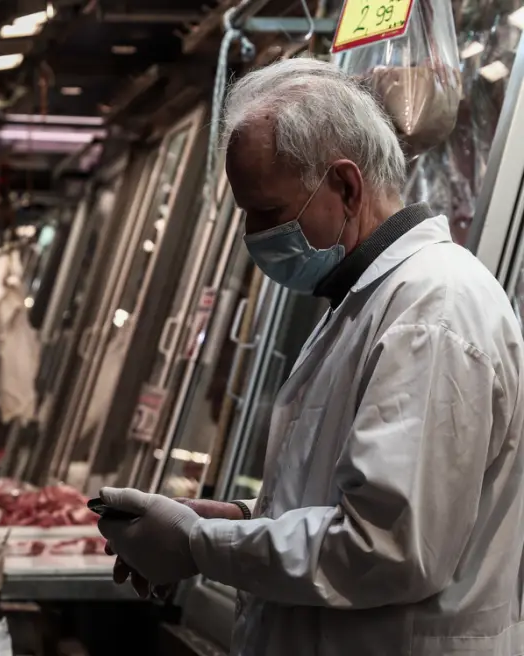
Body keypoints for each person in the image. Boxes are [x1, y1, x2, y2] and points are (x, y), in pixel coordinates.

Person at [98, 58, 524, 655]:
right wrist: (243, 519)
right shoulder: (365, 302)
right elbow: (350, 503)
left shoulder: (433, 311)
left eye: (267, 213)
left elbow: (386, 548)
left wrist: (201, 544)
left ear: (346, 187)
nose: (253, 238)